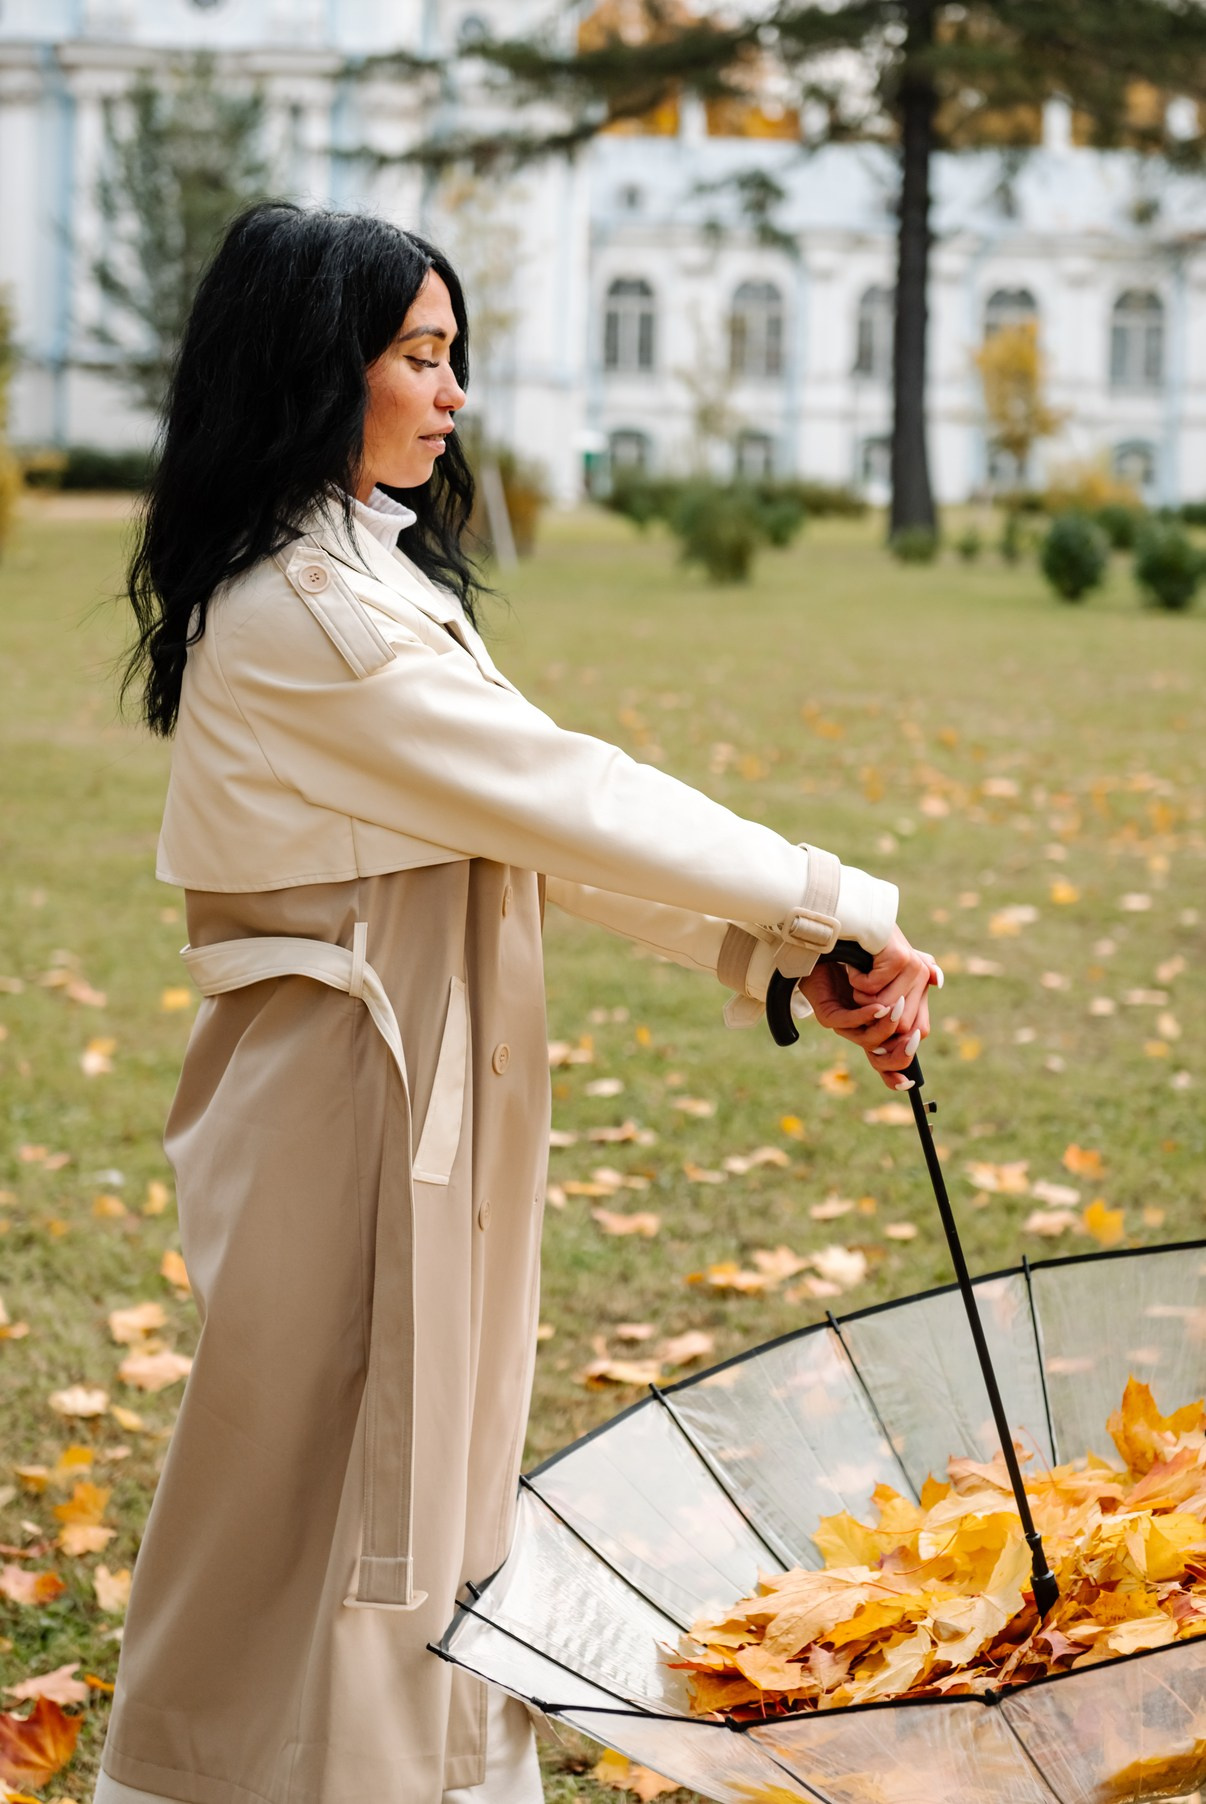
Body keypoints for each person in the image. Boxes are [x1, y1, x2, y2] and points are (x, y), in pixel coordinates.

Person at [93, 200, 938, 1804]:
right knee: (323, 1488)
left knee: (407, 1487)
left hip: (417, 1099)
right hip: (353, 1111)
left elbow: (521, 830)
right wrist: (836, 904)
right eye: (419, 355)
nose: (452, 391)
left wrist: (785, 955)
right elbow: (569, 793)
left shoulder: (367, 574)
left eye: (452, 353)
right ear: (317, 369)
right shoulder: (312, 613)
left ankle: (407, 1774)